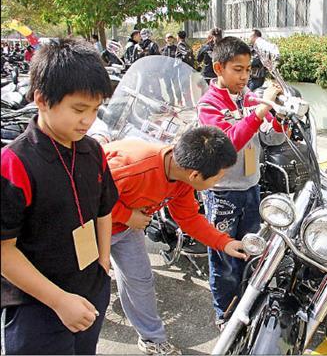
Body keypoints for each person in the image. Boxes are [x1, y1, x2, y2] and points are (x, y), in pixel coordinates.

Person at [1, 38, 118, 354]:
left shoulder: (93, 150)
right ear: (41, 99)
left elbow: (104, 209)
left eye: (95, 109)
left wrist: (103, 264)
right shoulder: (15, 162)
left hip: (89, 290)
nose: (88, 120)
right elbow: (4, 249)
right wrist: (59, 300)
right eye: (78, 109)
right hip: (36, 304)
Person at [103, 126, 245, 355]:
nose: (219, 182)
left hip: (127, 229)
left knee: (140, 281)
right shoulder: (134, 167)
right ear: (196, 175)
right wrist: (128, 216)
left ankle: (152, 339)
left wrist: (224, 243)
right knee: (83, 290)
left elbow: (188, 218)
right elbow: (85, 196)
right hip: (86, 226)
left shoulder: (181, 179)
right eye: (219, 177)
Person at [197, 36, 287, 329]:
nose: (245, 76)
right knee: (224, 259)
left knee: (250, 252)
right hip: (222, 193)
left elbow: (271, 138)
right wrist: (261, 110)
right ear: (218, 68)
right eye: (238, 69)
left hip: (251, 188)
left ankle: (246, 305)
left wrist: (281, 116)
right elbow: (229, 143)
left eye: (248, 69)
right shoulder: (209, 105)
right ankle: (224, 313)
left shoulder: (248, 96)